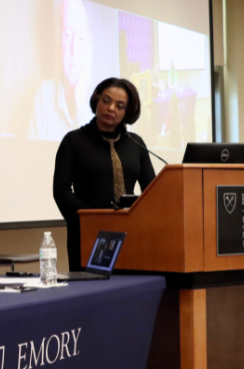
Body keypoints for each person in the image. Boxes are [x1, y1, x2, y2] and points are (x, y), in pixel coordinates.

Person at [53, 77, 155, 271]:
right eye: (106, 101)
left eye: (120, 105)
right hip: (87, 235)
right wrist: (90, 219)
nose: (111, 108)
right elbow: (61, 190)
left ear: (127, 112)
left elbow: (152, 191)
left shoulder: (136, 144)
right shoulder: (74, 141)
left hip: (131, 235)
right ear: (96, 101)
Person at [27, 0, 93, 141]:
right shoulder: (43, 96)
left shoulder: (107, 104)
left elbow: (101, 160)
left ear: (89, 48)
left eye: (81, 38)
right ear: (59, 42)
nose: (74, 49)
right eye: (68, 35)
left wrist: (79, 104)